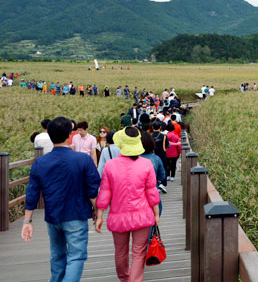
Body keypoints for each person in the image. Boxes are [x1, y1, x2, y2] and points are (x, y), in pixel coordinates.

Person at [21, 116, 101, 282]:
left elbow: (32, 193)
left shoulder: (40, 162)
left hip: (53, 216)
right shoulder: (83, 159)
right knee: (76, 257)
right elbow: (92, 190)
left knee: (57, 257)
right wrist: (98, 213)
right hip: (76, 214)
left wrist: (27, 222)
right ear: (69, 135)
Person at [95, 127, 160, 282]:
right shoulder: (146, 164)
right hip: (142, 215)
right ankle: (135, 280)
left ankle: (124, 278)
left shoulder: (110, 165)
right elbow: (152, 193)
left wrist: (99, 216)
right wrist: (156, 214)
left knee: (120, 252)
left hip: (118, 216)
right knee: (138, 252)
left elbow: (104, 192)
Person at [140, 131, 166, 213]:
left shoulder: (133, 160)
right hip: (153, 193)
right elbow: (162, 176)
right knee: (155, 214)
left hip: (136, 195)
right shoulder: (156, 159)